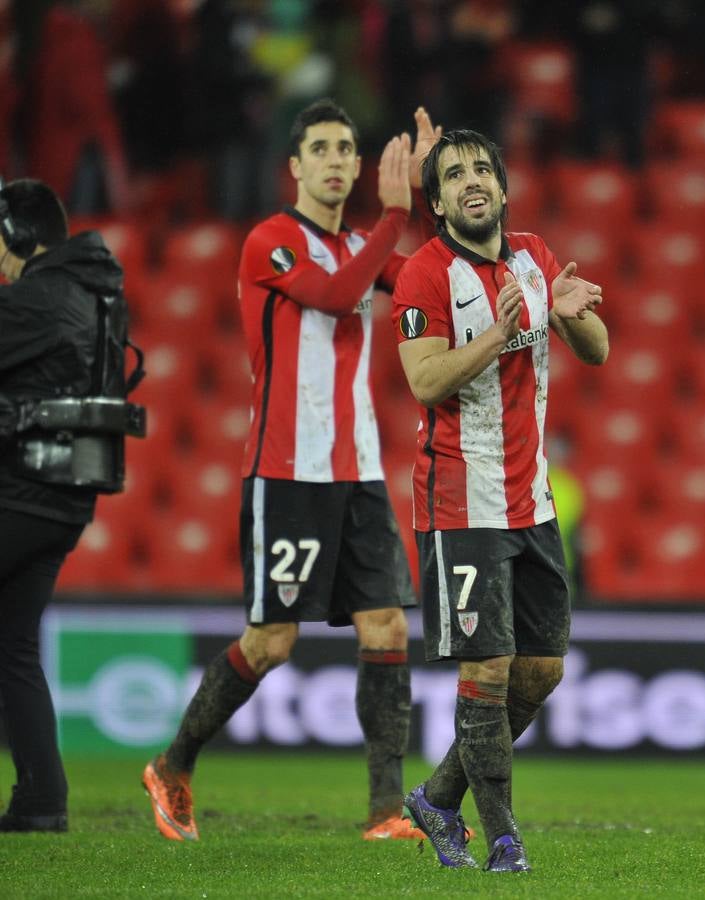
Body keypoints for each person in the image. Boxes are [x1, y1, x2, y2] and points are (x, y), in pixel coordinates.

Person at [140, 99, 425, 842]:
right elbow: (333, 298)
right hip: (286, 470)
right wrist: (397, 216)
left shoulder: (364, 244)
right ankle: (174, 764)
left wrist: (469, 222)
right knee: (272, 640)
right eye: (321, 149)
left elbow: (424, 282)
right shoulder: (270, 240)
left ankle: (385, 810)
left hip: (358, 469)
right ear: (294, 166)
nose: (335, 160)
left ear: (359, 166)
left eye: (346, 149)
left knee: (387, 621)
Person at [391, 127, 607, 873]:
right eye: (454, 174)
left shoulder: (536, 256)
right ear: (440, 200)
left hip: (534, 501)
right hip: (460, 498)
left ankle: (438, 798)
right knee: (487, 670)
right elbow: (423, 381)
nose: (471, 179)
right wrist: (501, 335)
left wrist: (571, 309)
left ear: (504, 190)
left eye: (483, 168)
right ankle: (504, 839)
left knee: (540, 671)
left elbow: (599, 351)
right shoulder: (425, 275)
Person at [1, 177, 136, 832]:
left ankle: (41, 798)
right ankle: (40, 800)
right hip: (63, 501)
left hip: (18, 493)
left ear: (21, 236)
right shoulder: (96, 296)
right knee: (13, 646)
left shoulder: (39, 300)